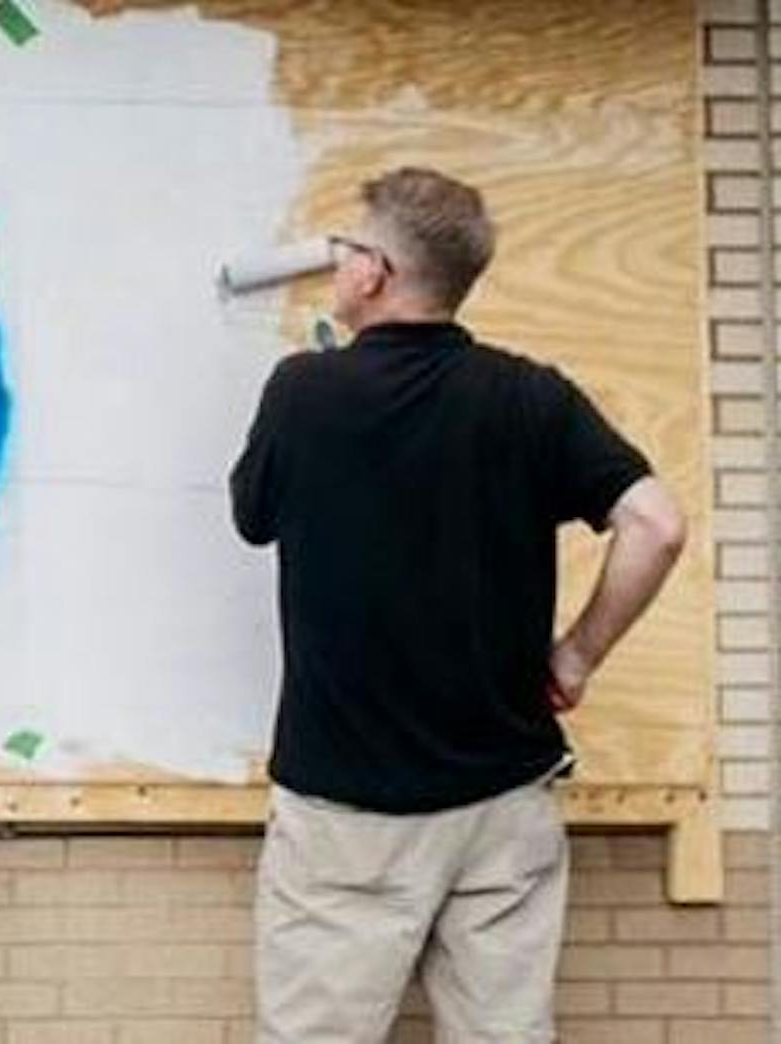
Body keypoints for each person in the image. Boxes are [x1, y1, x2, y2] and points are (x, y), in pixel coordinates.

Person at [231, 167, 686, 1044]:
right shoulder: (531, 396)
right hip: (502, 803)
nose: (337, 265)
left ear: (372, 274)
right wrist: (578, 654)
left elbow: (254, 517)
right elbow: (657, 525)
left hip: (346, 812)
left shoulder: (304, 392)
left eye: (347, 249)